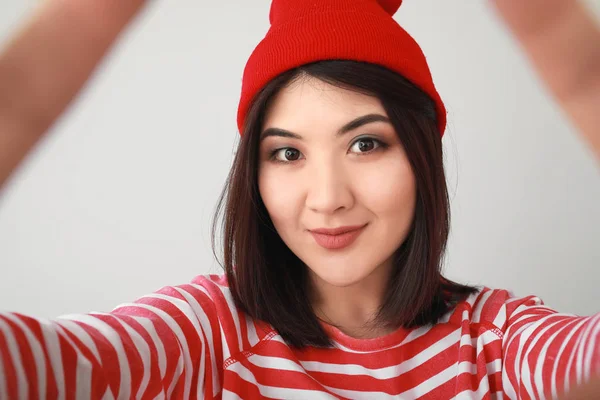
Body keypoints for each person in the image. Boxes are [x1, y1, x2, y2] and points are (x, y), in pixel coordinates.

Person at [0, 0, 598, 398]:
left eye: (366, 143)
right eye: (287, 153)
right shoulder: (206, 333)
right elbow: (50, 364)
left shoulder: (496, 340)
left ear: (422, 158)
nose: (328, 198)